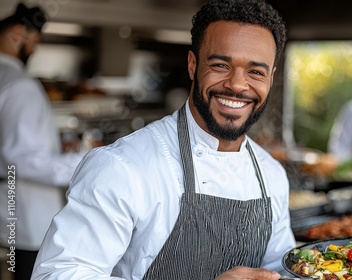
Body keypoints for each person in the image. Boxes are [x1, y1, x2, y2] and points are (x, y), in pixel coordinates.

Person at [32, 0, 295, 279]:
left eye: (255, 71)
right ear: (193, 65)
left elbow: (283, 269)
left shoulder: (271, 175)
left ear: (271, 77)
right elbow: (57, 273)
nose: (237, 84)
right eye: (220, 65)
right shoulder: (122, 167)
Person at [0, 3, 86, 280]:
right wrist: (87, 162)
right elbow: (23, 160)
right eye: (34, 42)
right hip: (28, 222)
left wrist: (57, 150)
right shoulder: (21, 85)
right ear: (17, 34)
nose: (35, 50)